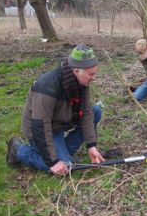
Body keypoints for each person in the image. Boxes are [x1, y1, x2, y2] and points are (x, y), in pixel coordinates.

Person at [6, 43, 105, 175]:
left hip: (59, 123)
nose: (94, 78)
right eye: (91, 74)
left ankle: (63, 153)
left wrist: (91, 145)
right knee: (65, 168)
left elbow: (86, 113)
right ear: (76, 71)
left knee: (95, 111)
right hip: (40, 129)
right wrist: (53, 162)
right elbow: (40, 126)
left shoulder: (82, 82)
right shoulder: (47, 87)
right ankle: (18, 150)